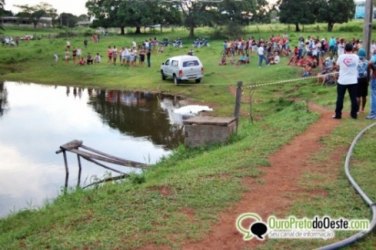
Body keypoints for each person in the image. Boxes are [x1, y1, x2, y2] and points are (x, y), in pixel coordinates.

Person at [333, 43, 359, 119]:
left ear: (345, 49)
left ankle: (338, 114)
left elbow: (337, 65)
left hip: (342, 80)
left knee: (340, 98)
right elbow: (356, 65)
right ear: (352, 49)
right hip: (353, 80)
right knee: (353, 98)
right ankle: (354, 114)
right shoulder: (356, 57)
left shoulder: (341, 56)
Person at [356, 48, 369, 113]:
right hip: (365, 79)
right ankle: (363, 109)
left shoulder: (356, 62)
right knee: (364, 95)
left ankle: (357, 110)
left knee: (358, 96)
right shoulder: (367, 62)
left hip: (358, 79)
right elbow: (369, 72)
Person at [366, 51, 376, 119]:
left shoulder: (374, 56)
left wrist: (373, 68)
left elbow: (369, 63)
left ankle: (373, 114)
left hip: (375, 78)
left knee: (373, 96)